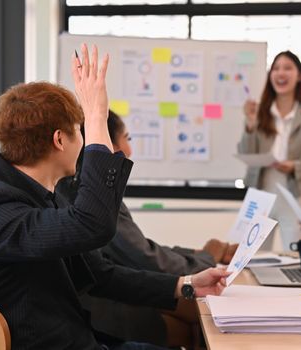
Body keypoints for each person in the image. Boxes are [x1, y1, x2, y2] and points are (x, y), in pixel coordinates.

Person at [0, 43, 230, 350]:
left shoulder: (38, 195)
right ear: (60, 139)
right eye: (80, 130)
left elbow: (100, 275)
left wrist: (187, 285)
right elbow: (94, 225)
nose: (86, 139)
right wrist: (96, 114)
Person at [57, 111, 238, 348]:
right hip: (111, 305)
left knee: (201, 315)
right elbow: (141, 256)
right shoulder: (89, 193)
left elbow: (140, 248)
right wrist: (207, 257)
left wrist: (198, 255)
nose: (129, 151)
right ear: (107, 142)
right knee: (202, 318)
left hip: (121, 291)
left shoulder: (79, 186)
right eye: (127, 138)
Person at [238, 51, 301, 250]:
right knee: (250, 258)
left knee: (296, 258)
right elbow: (247, 153)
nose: (281, 73)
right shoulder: (259, 111)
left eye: (287, 68)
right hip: (260, 192)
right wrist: (251, 123)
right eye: (276, 68)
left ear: (300, 75)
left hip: (296, 195)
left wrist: (294, 166)